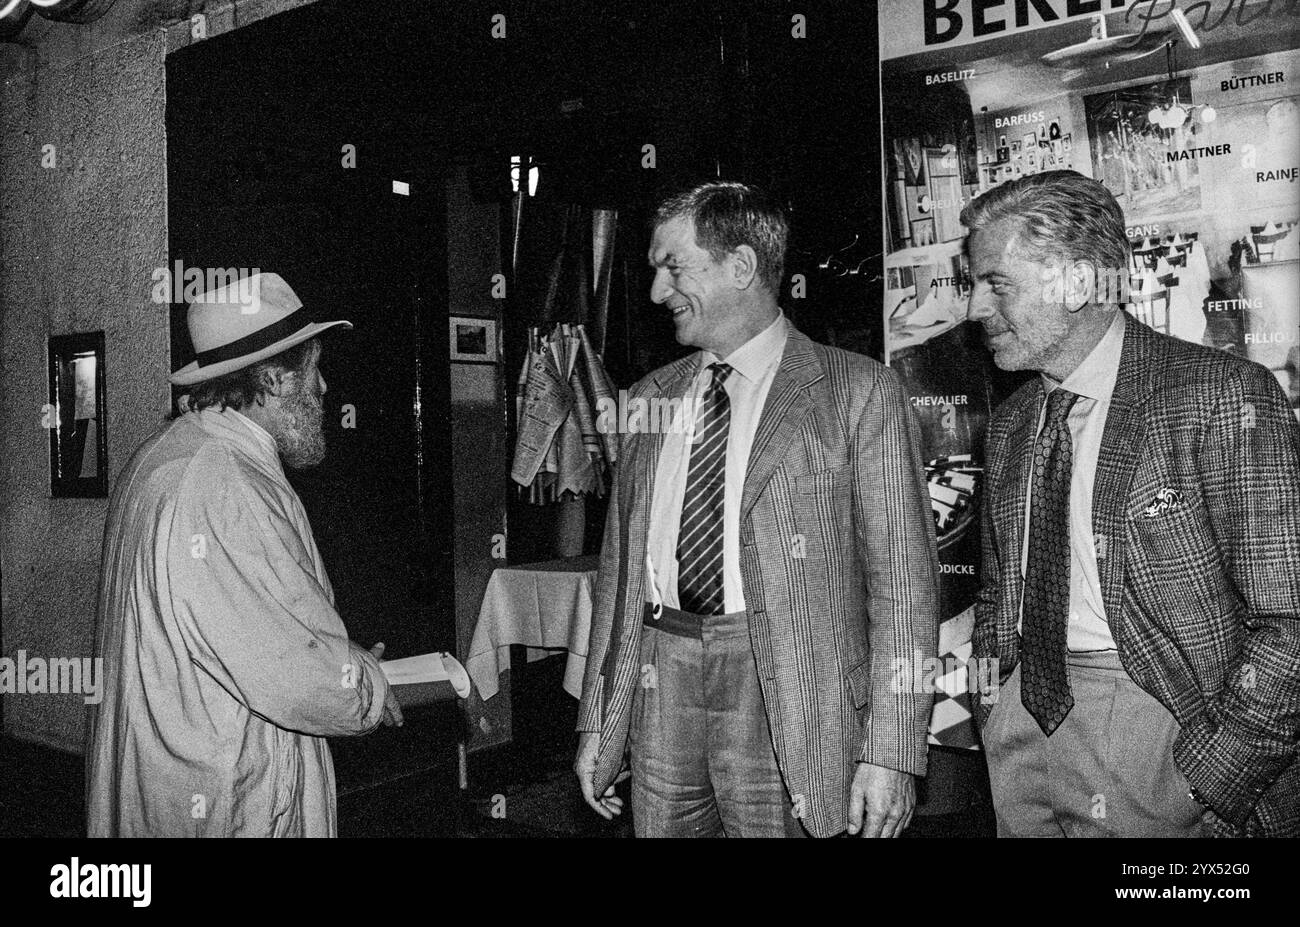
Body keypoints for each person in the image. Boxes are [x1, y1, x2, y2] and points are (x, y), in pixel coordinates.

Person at [574, 182, 939, 837]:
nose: (657, 292)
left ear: (740, 267)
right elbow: (616, 575)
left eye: (673, 267)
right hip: (663, 676)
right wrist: (598, 718)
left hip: (792, 692)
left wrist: (892, 749)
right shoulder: (649, 399)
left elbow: (905, 588)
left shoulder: (859, 393)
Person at [967, 170, 1300, 837]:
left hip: (1161, 733)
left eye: (996, 283)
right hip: (1023, 729)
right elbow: (999, 590)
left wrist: (1210, 777)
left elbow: (1289, 621)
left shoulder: (1220, 397)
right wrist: (990, 704)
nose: (975, 308)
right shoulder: (1012, 423)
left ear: (1084, 282)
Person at [87, 271, 402, 837]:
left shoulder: (169, 455)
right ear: (275, 378)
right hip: (226, 800)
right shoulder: (226, 481)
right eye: (314, 368)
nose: (325, 387)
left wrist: (340, 652)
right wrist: (369, 687)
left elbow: (245, 624)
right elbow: (291, 676)